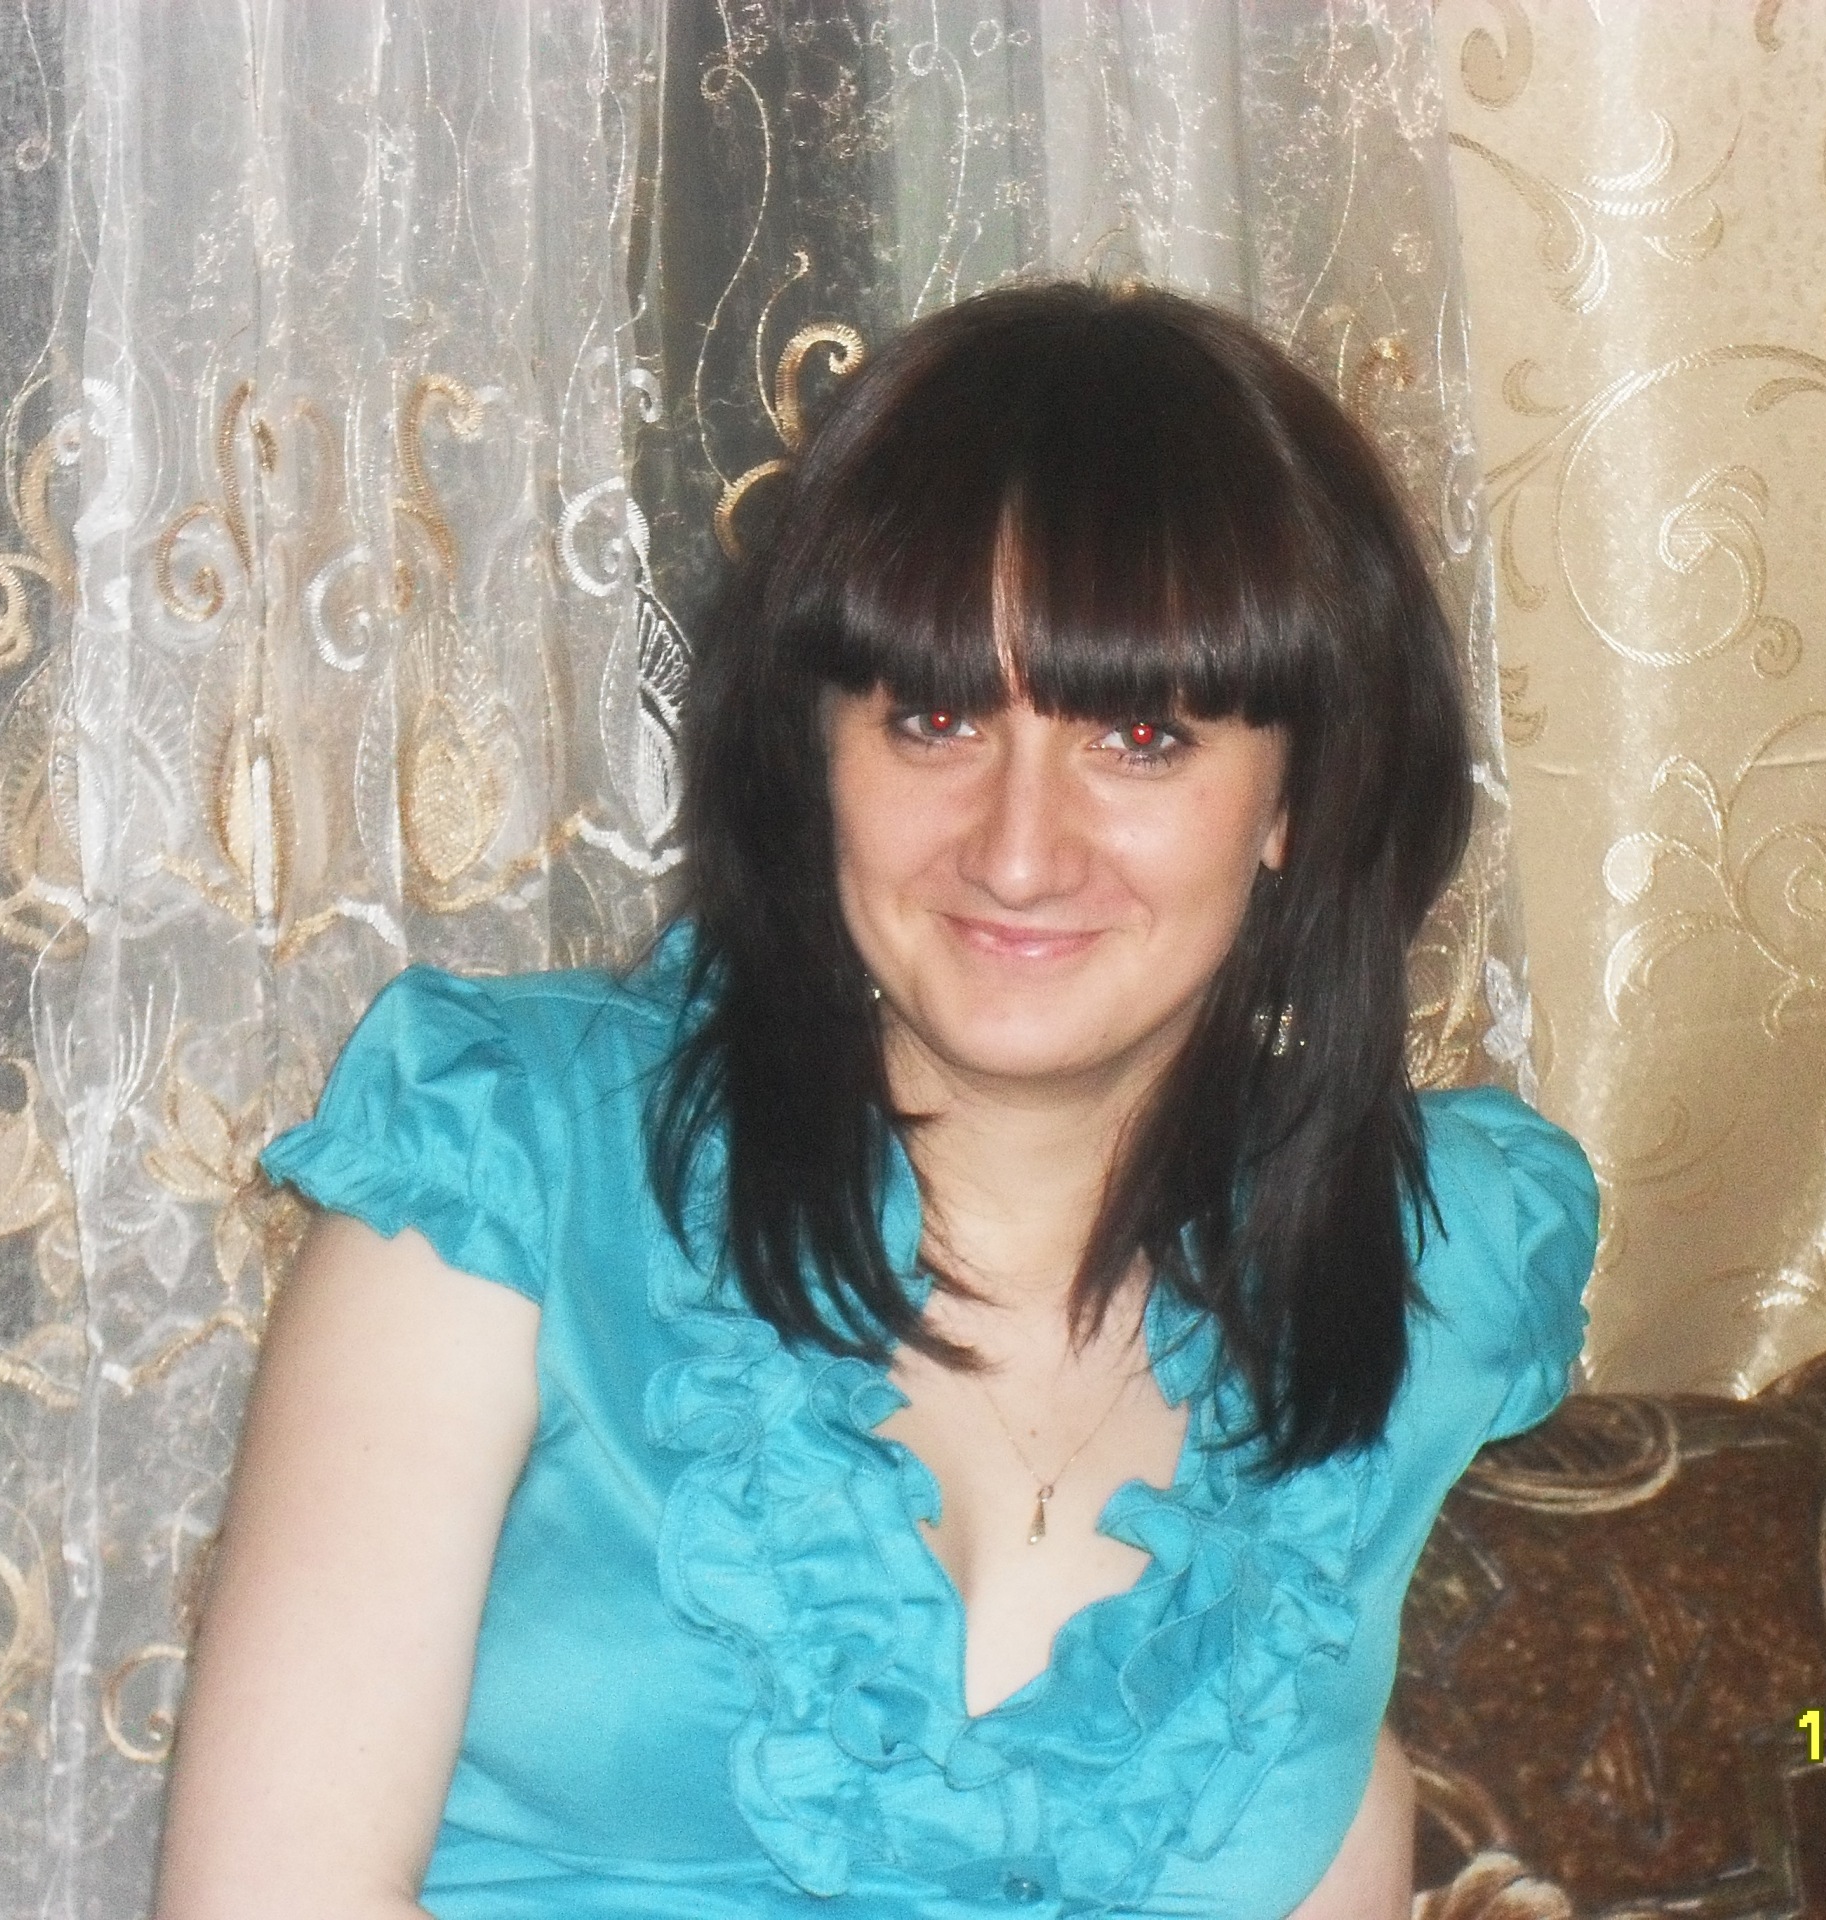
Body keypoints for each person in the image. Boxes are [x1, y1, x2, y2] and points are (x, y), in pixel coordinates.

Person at [155, 280, 1595, 1919]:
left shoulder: (1427, 1262)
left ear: (1297, 796)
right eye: (933, 719)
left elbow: (1333, 1795)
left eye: (1139, 735)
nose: (1018, 852)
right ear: (817, 754)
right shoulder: (511, 1176)